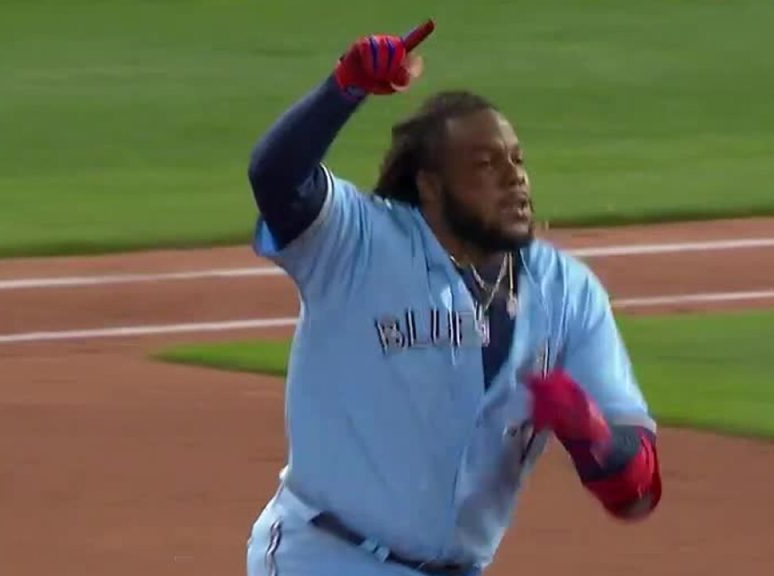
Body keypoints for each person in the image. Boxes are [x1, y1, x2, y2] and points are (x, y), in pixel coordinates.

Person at [243, 20, 662, 576]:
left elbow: (638, 491)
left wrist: (597, 441)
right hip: (323, 558)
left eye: (516, 160)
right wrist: (343, 89)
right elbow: (275, 177)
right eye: (486, 166)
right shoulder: (357, 243)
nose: (515, 180)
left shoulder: (568, 294)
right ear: (431, 187)